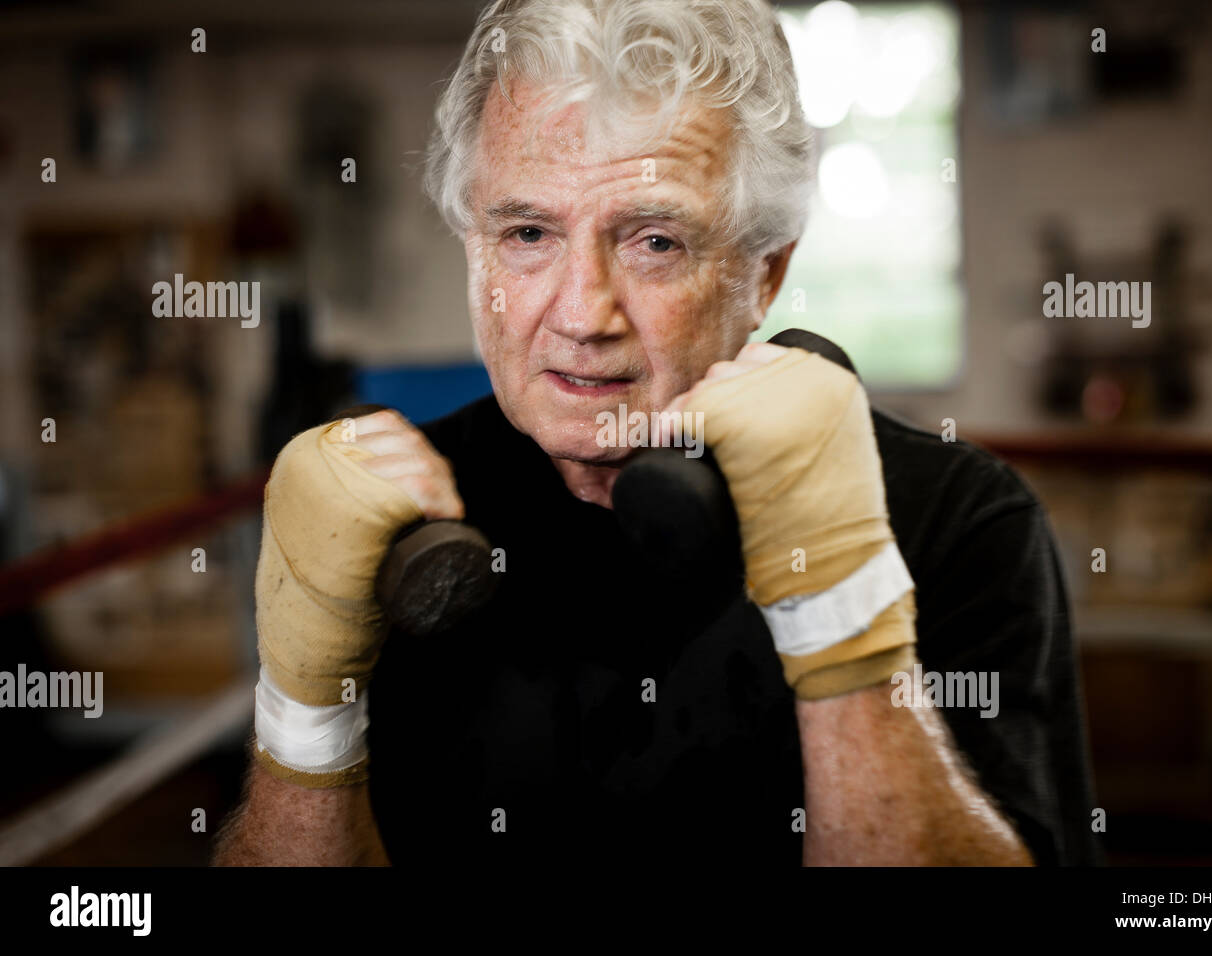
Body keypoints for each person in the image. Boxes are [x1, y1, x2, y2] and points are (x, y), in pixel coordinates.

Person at [214, 0, 1102, 867]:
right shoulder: (392, 517)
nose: (581, 313)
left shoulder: (956, 519)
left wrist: (843, 605)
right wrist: (304, 710)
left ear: (767, 273)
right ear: (473, 248)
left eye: (653, 243)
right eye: (528, 233)